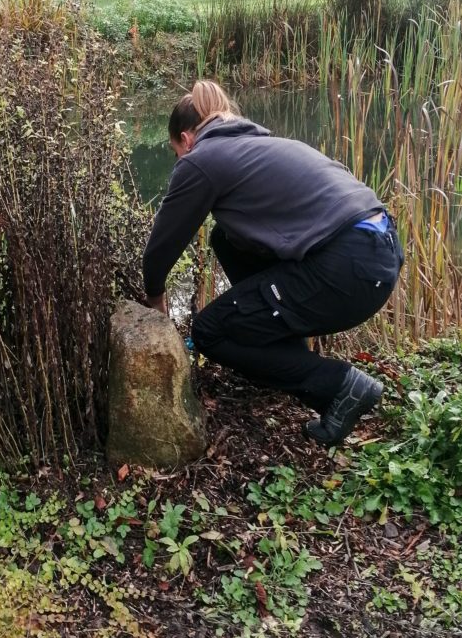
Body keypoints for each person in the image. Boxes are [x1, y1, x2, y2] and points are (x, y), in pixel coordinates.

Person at [142, 81, 404, 446]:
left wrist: (155, 301)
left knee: (209, 331)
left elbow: (159, 250)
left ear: (186, 139)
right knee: (224, 237)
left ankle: (340, 385)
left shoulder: (201, 159)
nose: (179, 163)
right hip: (378, 254)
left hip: (347, 269)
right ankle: (283, 344)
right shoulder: (261, 145)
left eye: (175, 153)